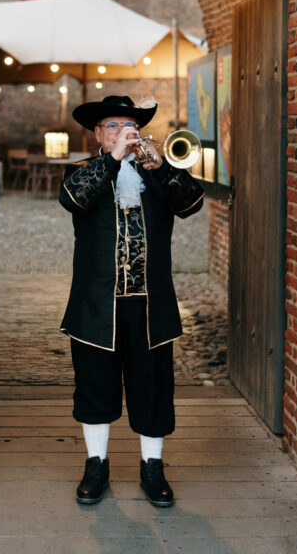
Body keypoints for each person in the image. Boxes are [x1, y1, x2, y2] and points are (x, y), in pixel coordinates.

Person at [58, 95, 205, 508]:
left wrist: (160, 166)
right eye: (112, 126)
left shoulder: (158, 170)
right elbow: (72, 200)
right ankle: (96, 464)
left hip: (150, 304)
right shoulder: (83, 171)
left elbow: (192, 204)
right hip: (95, 303)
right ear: (97, 134)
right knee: (94, 385)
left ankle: (152, 467)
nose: (123, 132)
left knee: (153, 387)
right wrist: (113, 160)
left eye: (129, 126)